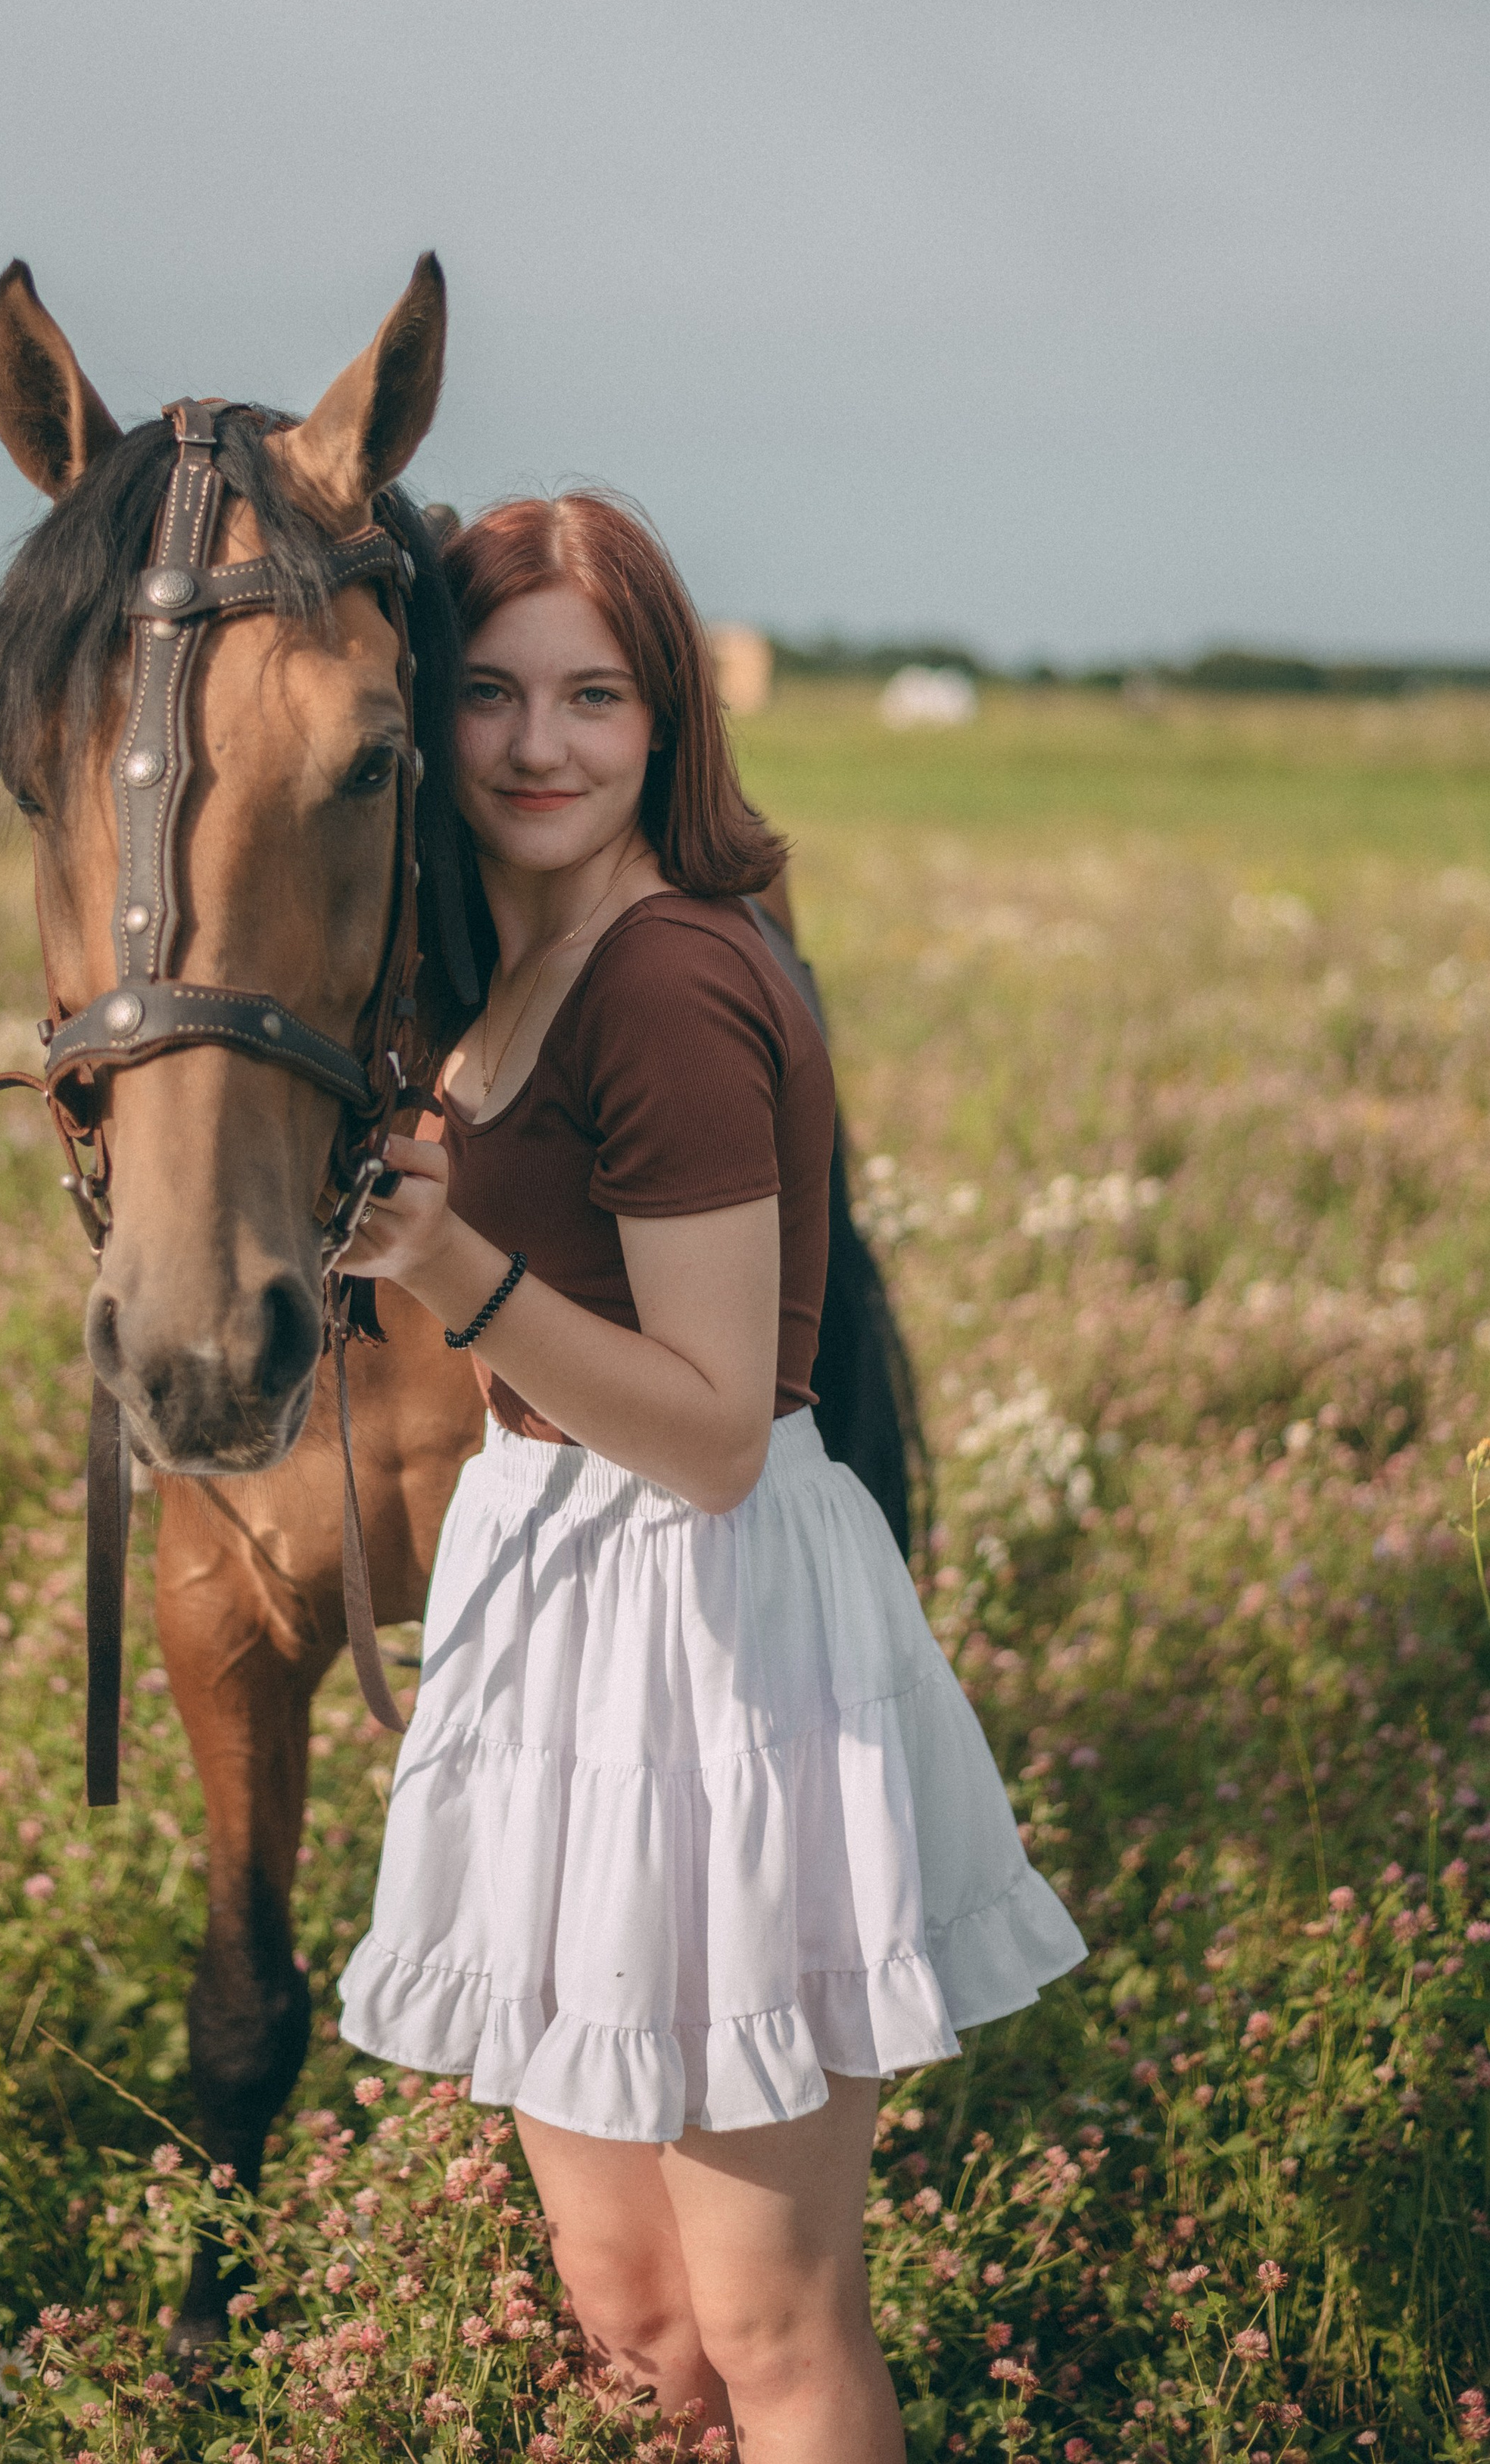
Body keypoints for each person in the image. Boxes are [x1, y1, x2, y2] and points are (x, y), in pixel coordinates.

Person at [336, 493, 1083, 2461]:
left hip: (710, 1621)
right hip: (567, 1604)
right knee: (637, 2315)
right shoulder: (506, 972)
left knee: (765, 2311)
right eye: (488, 693)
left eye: (594, 693)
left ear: (667, 718)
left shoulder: (664, 975)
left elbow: (714, 1429)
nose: (538, 743)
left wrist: (453, 1273)